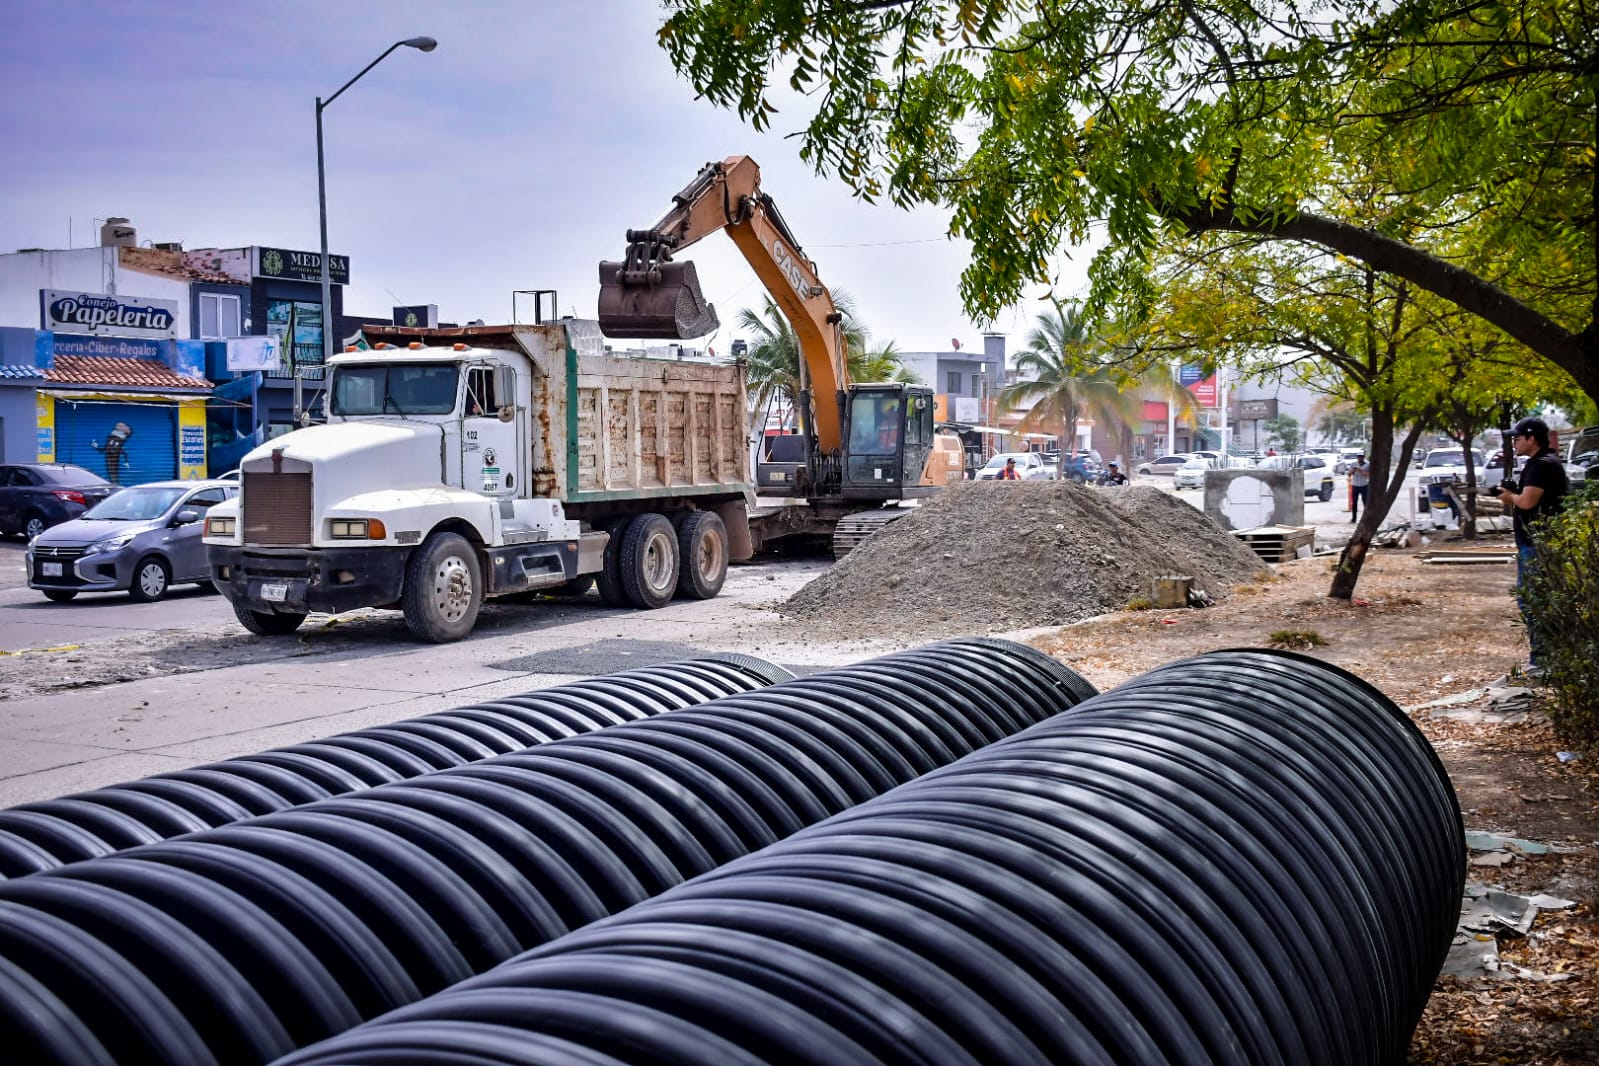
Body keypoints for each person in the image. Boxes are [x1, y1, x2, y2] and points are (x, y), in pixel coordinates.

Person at [1496, 417, 1569, 674]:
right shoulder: (1541, 464)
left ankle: (1543, 659)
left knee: (1533, 601)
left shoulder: (1542, 465)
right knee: (1537, 600)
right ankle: (1547, 656)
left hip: (1538, 545)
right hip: (1535, 543)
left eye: (1517, 438)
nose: (1514, 443)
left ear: (1531, 439)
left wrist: (1509, 497)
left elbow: (1527, 502)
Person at [1348, 454, 1370, 520]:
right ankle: (1354, 518)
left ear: (1364, 457)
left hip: (1364, 485)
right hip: (1355, 485)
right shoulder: (1353, 464)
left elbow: (1367, 475)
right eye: (1359, 457)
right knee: (1354, 502)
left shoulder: (1368, 464)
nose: (1360, 458)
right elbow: (1349, 474)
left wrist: (1359, 470)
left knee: (1365, 502)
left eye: (1362, 457)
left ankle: (1366, 518)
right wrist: (1353, 470)